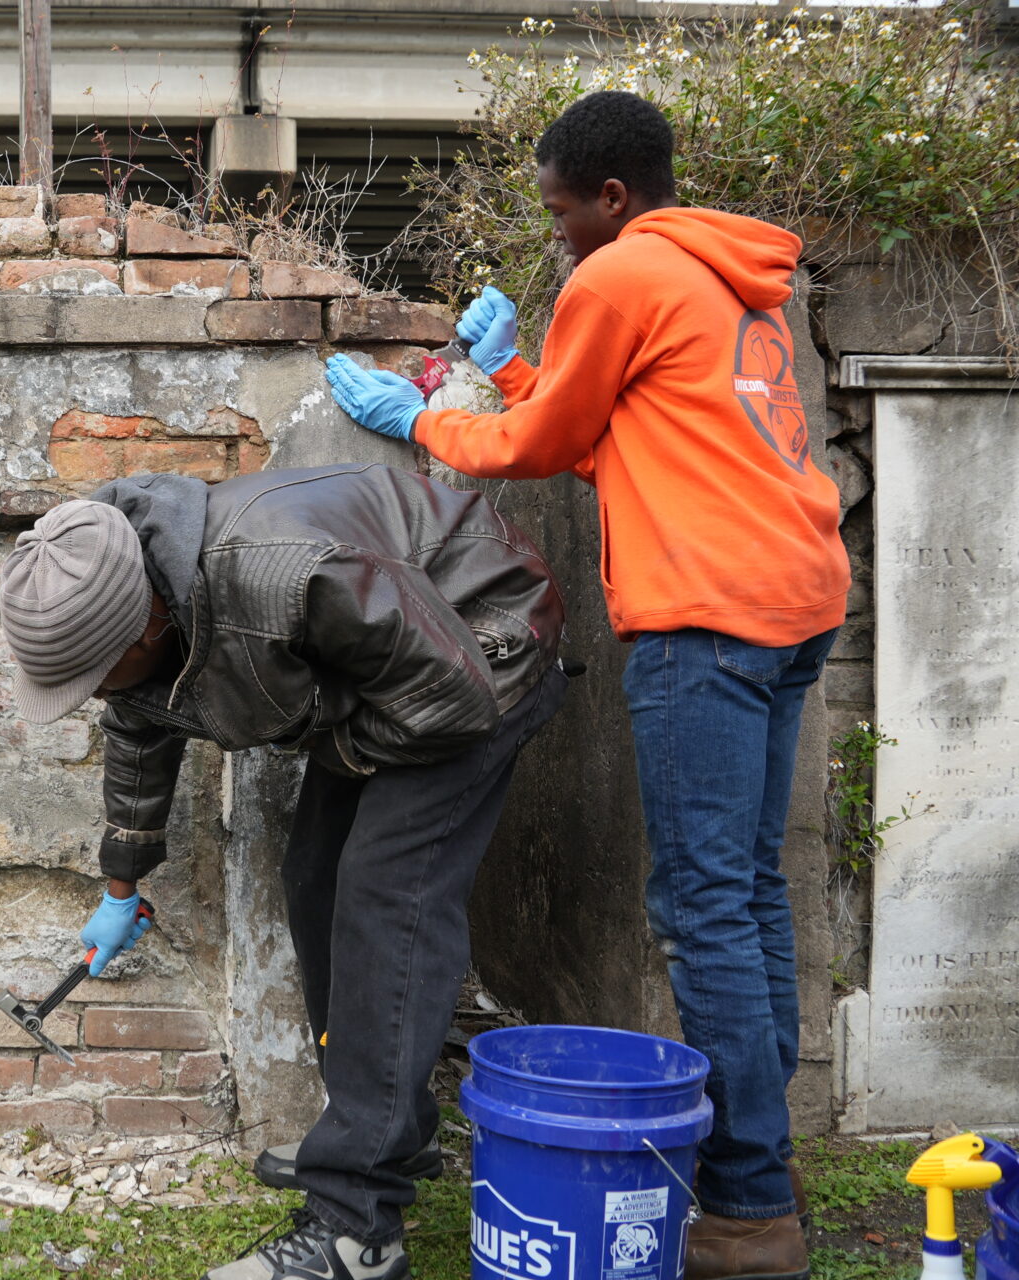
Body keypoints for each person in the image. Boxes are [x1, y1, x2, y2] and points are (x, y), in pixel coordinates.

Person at [325, 91, 850, 1280]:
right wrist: (510, 364)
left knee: (704, 906)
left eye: (563, 213)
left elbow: (545, 445)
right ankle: (766, 1166)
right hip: (797, 595)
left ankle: (751, 1209)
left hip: (706, 612)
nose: (556, 233)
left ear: (613, 196)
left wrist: (429, 418)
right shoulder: (724, 273)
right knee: (750, 891)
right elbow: (629, 420)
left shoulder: (618, 277)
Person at [0, 465, 568, 1280]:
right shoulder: (109, 568)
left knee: (385, 896)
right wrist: (120, 882)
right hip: (392, 667)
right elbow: (137, 721)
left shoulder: (282, 576)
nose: (90, 698)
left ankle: (356, 1227)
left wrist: (334, 740)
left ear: (144, 629)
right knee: (312, 877)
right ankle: (383, 1137)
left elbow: (454, 699)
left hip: (480, 644)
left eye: (92, 677)